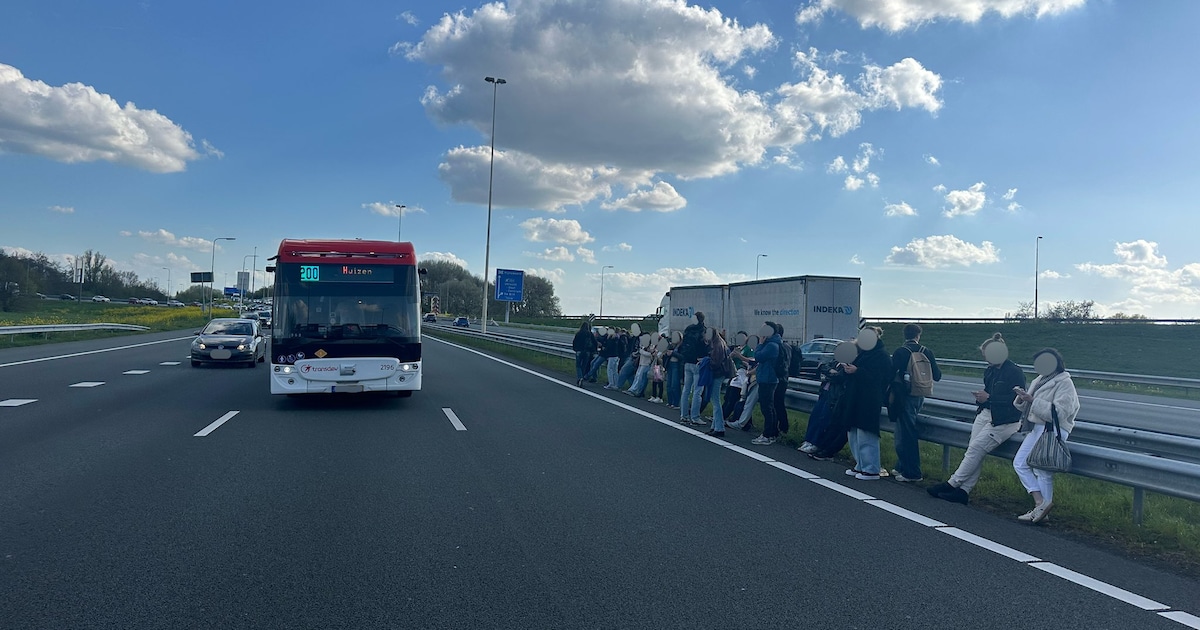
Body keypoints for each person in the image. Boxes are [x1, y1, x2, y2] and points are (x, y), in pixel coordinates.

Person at [928, 333, 1026, 504]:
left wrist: (989, 398)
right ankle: (964, 491)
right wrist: (982, 399)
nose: (986, 359)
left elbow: (1018, 401)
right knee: (974, 450)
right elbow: (989, 394)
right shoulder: (989, 371)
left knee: (975, 450)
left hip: (1005, 420)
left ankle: (952, 484)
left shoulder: (1015, 372)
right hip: (986, 413)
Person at [1012, 348, 1080, 523]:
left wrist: (1032, 400)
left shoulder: (1065, 383)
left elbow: (1059, 412)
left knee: (1042, 469)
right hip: (1037, 427)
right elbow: (1030, 408)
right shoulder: (1041, 380)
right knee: (1020, 463)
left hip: (1052, 429)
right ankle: (1041, 504)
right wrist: (1022, 399)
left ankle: (1042, 509)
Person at [887, 324, 942, 482]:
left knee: (906, 433)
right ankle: (901, 466)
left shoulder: (900, 352)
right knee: (905, 430)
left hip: (903, 396)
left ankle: (912, 472)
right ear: (919, 335)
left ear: (904, 335)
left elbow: (890, 374)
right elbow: (937, 375)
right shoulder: (927, 351)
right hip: (920, 395)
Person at [840, 327, 891, 480]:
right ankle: (860, 465)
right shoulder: (862, 353)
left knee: (866, 433)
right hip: (855, 397)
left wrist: (857, 371)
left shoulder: (881, 355)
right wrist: (847, 370)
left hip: (869, 399)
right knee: (854, 433)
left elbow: (879, 378)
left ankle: (871, 468)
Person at [751, 322, 783, 445]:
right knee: (769, 407)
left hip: (768, 379)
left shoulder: (771, 345)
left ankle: (767, 434)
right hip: (767, 378)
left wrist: (759, 344)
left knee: (767, 408)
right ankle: (772, 433)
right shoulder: (773, 343)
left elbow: (758, 357)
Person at [678, 312, 710, 423]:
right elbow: (706, 345)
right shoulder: (703, 330)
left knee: (686, 389)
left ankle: (684, 415)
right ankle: (695, 417)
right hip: (698, 362)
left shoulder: (688, 329)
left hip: (687, 362)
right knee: (697, 391)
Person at [702, 330, 730, 437]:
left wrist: (706, 362)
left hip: (717, 374)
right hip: (720, 373)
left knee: (715, 401)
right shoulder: (718, 342)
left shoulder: (717, 345)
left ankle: (719, 428)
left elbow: (716, 362)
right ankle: (715, 426)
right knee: (715, 400)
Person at [772, 323, 792, 436]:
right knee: (779, 403)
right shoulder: (787, 346)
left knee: (775, 404)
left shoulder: (777, 346)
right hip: (784, 378)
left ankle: (779, 428)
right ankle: (784, 427)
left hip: (777, 378)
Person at [572, 320, 596, 387]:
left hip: (579, 351)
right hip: (587, 352)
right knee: (584, 366)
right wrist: (594, 350)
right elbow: (594, 342)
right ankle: (582, 377)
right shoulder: (589, 334)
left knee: (578, 365)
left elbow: (574, 341)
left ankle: (580, 377)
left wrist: (575, 349)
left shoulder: (579, 333)